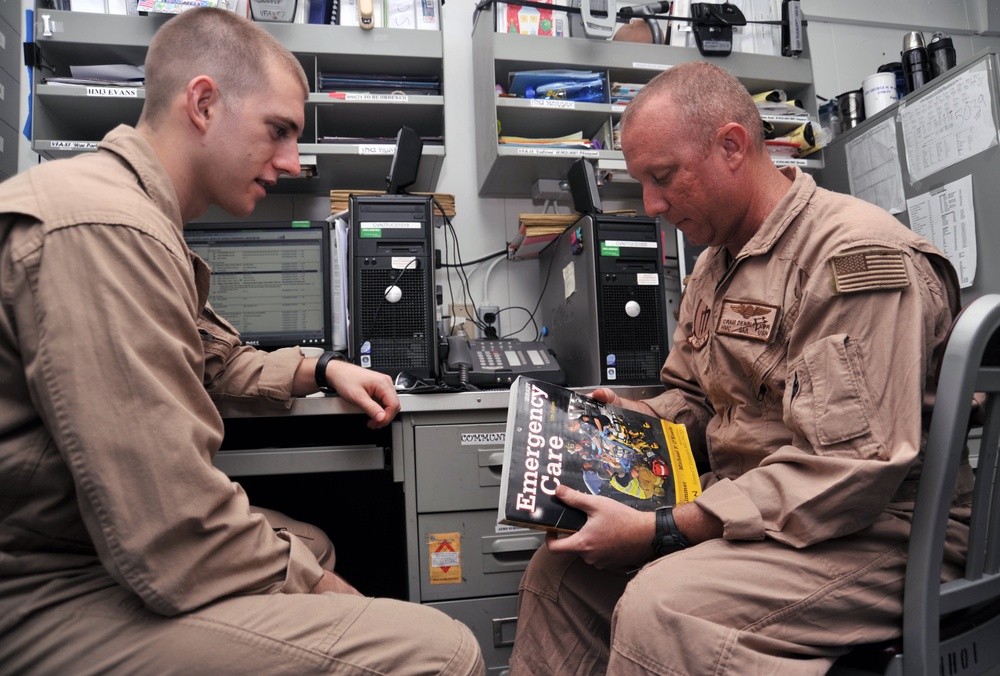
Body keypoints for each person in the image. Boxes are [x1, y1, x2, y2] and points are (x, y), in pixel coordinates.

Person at [0, 8, 484, 674]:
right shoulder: (105, 228)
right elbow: (168, 527)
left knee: (308, 541)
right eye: (278, 131)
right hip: (42, 590)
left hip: (79, 552)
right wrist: (324, 595)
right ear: (203, 103)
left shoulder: (135, 216)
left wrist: (323, 369)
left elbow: (216, 359)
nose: (292, 162)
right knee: (443, 652)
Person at [509, 61, 972, 675]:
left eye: (663, 177)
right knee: (561, 572)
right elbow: (698, 401)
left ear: (732, 146)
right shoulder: (715, 266)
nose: (651, 205)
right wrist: (631, 420)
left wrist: (663, 529)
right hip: (762, 513)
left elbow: (845, 472)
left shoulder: (853, 257)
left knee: (664, 608)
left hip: (879, 528)